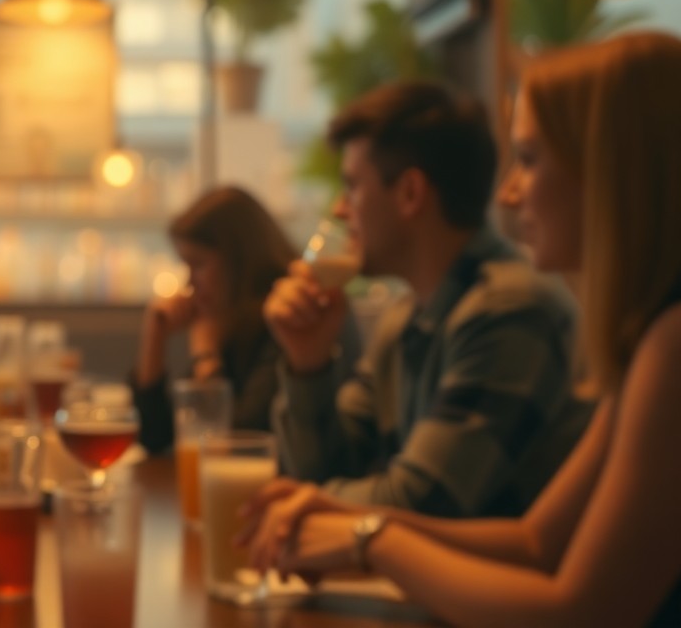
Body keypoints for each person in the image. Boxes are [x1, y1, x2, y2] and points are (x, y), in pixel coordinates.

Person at [244, 32, 681, 627]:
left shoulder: (663, 342)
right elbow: (535, 543)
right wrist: (309, 373)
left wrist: (370, 538)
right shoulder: (645, 339)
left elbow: (583, 611)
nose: (509, 192)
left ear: (608, 167)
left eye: (529, 159)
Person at [263, 80, 590, 517]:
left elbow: (422, 503)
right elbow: (323, 472)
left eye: (353, 188)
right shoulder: (406, 319)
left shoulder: (511, 309)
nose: (341, 210)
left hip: (494, 585)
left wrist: (300, 503)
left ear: (410, 194)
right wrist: (308, 364)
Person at [131, 187, 355, 454]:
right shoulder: (227, 319)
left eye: (198, 265)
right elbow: (155, 436)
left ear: (239, 261)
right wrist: (154, 337)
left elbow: (236, 444)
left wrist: (206, 355)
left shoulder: (294, 315)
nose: (189, 282)